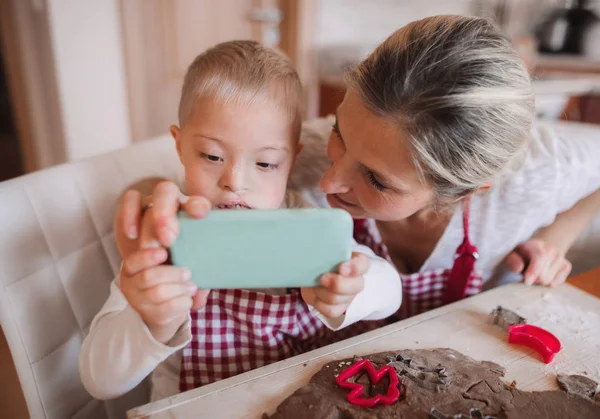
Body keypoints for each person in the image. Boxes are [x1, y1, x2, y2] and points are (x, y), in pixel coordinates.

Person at [115, 12, 600, 377]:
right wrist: (143, 213)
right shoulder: (286, 157)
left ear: (468, 190)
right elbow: (188, 171)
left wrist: (558, 235)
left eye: (377, 180)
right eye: (340, 134)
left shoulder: (542, 169)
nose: (329, 181)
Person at [78, 40, 402, 401]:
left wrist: (355, 290)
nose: (235, 181)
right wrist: (151, 322)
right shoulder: (165, 235)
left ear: (291, 161)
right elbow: (99, 382)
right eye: (212, 156)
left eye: (265, 163)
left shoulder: (305, 224)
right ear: (179, 145)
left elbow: (392, 293)